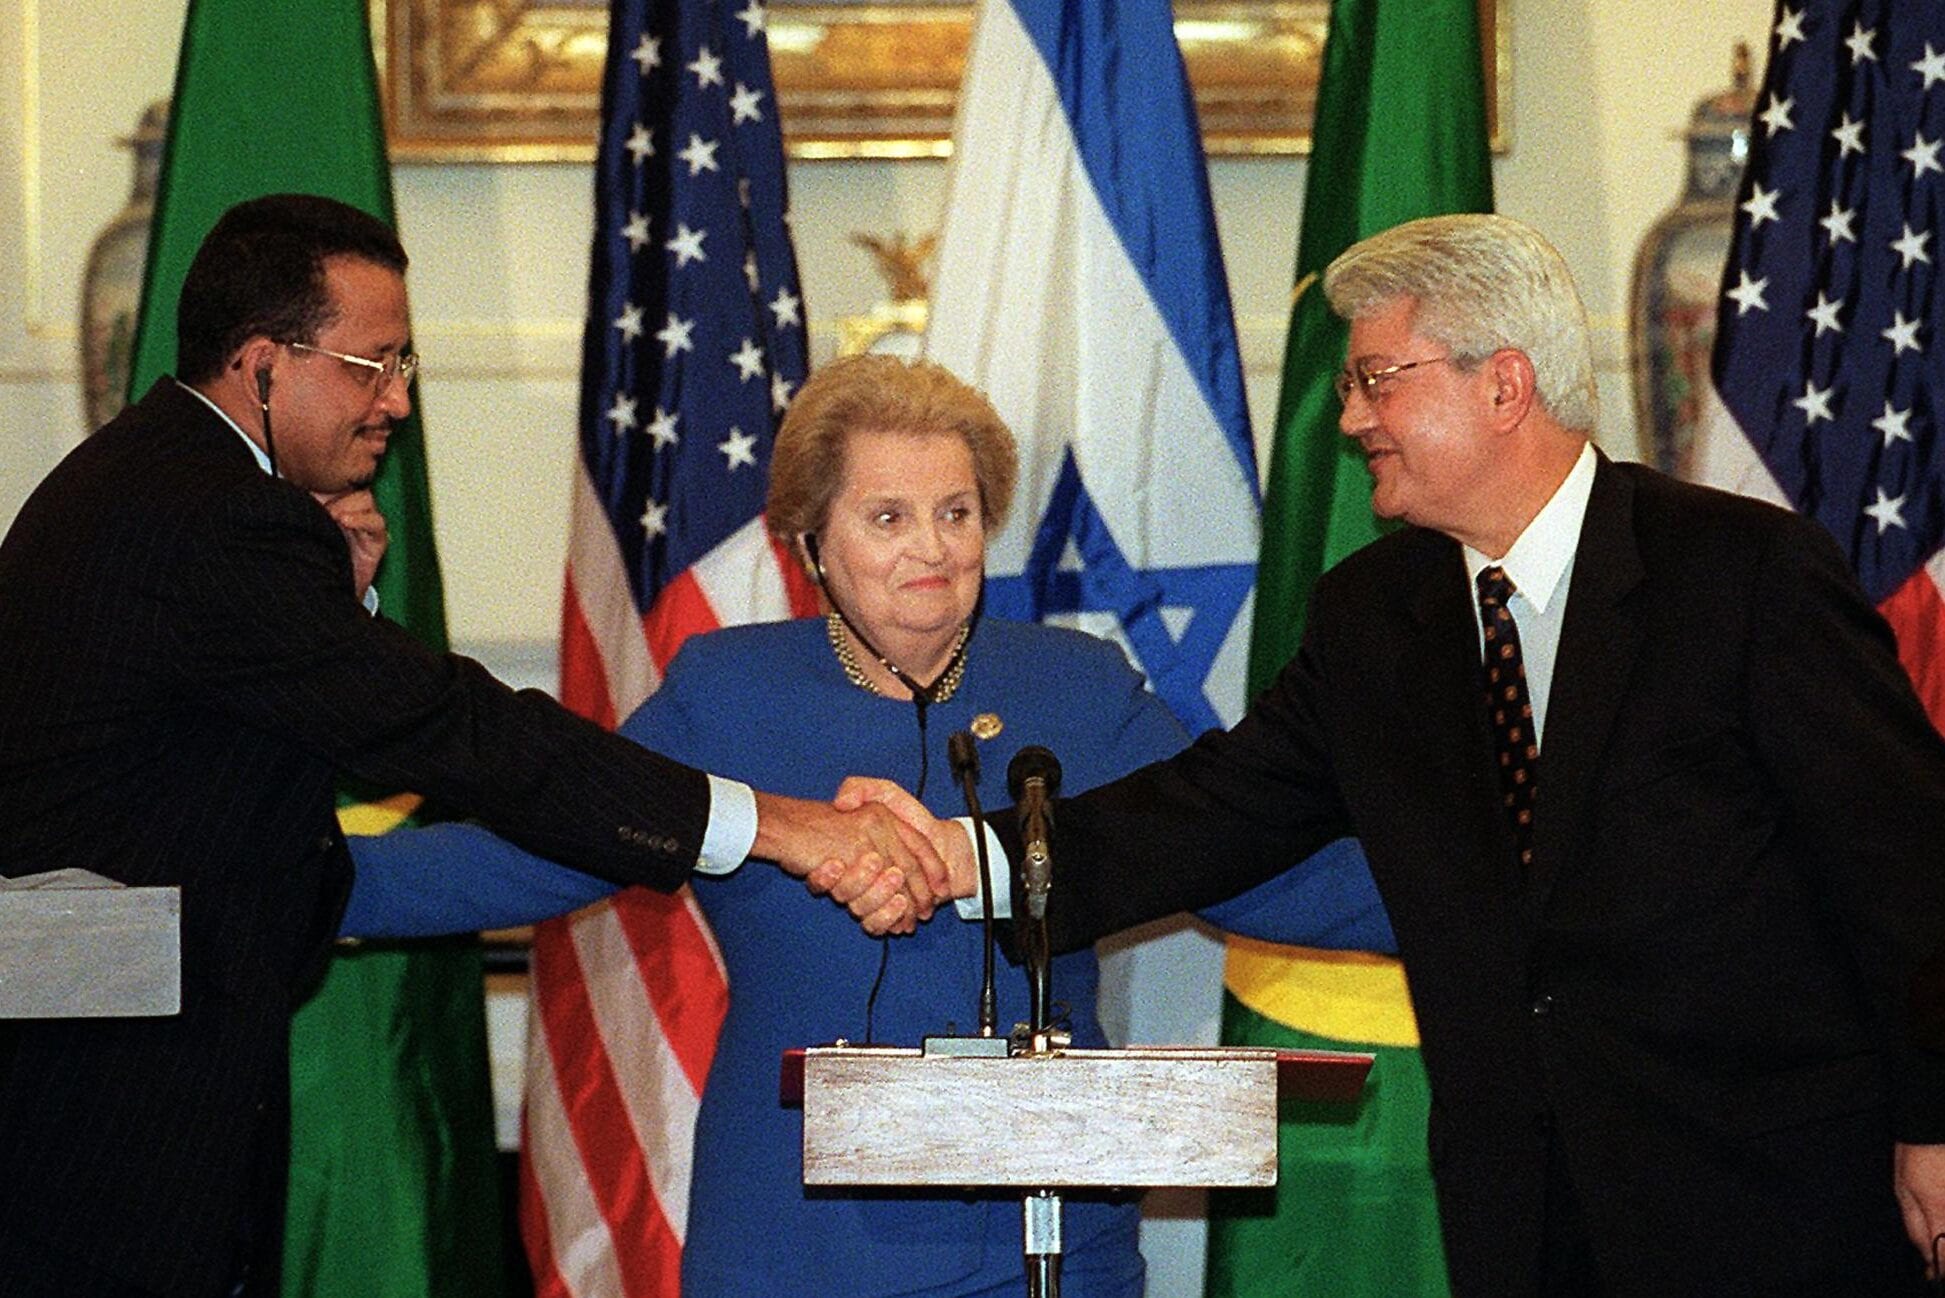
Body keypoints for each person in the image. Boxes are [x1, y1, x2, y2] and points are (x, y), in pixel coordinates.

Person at [850, 214, 1945, 1296]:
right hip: (1522, 1215)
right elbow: (1211, 809)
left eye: (1376, 380)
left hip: (1772, 1198)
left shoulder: (1742, 573)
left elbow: (1907, 871)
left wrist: (1935, 1122)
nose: (1348, 417)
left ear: (1503, 385)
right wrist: (964, 858)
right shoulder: (1376, 616)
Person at [0, 195, 945, 1298]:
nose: (397, 400)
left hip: (121, 1054)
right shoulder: (210, 513)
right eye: (373, 364)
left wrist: (335, 609)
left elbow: (240, 742)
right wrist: (774, 825)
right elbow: (448, 728)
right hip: (104, 1095)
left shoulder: (160, 480)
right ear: (262, 365)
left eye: (404, 364)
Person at [342, 353, 1394, 1297]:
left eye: (957, 512)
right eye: (887, 518)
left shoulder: (1080, 688)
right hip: (794, 1233)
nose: (931, 548)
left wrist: (1465, 888)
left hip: (1048, 1232)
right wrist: (308, 881)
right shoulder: (728, 692)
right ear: (811, 540)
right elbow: (544, 852)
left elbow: (1253, 869)